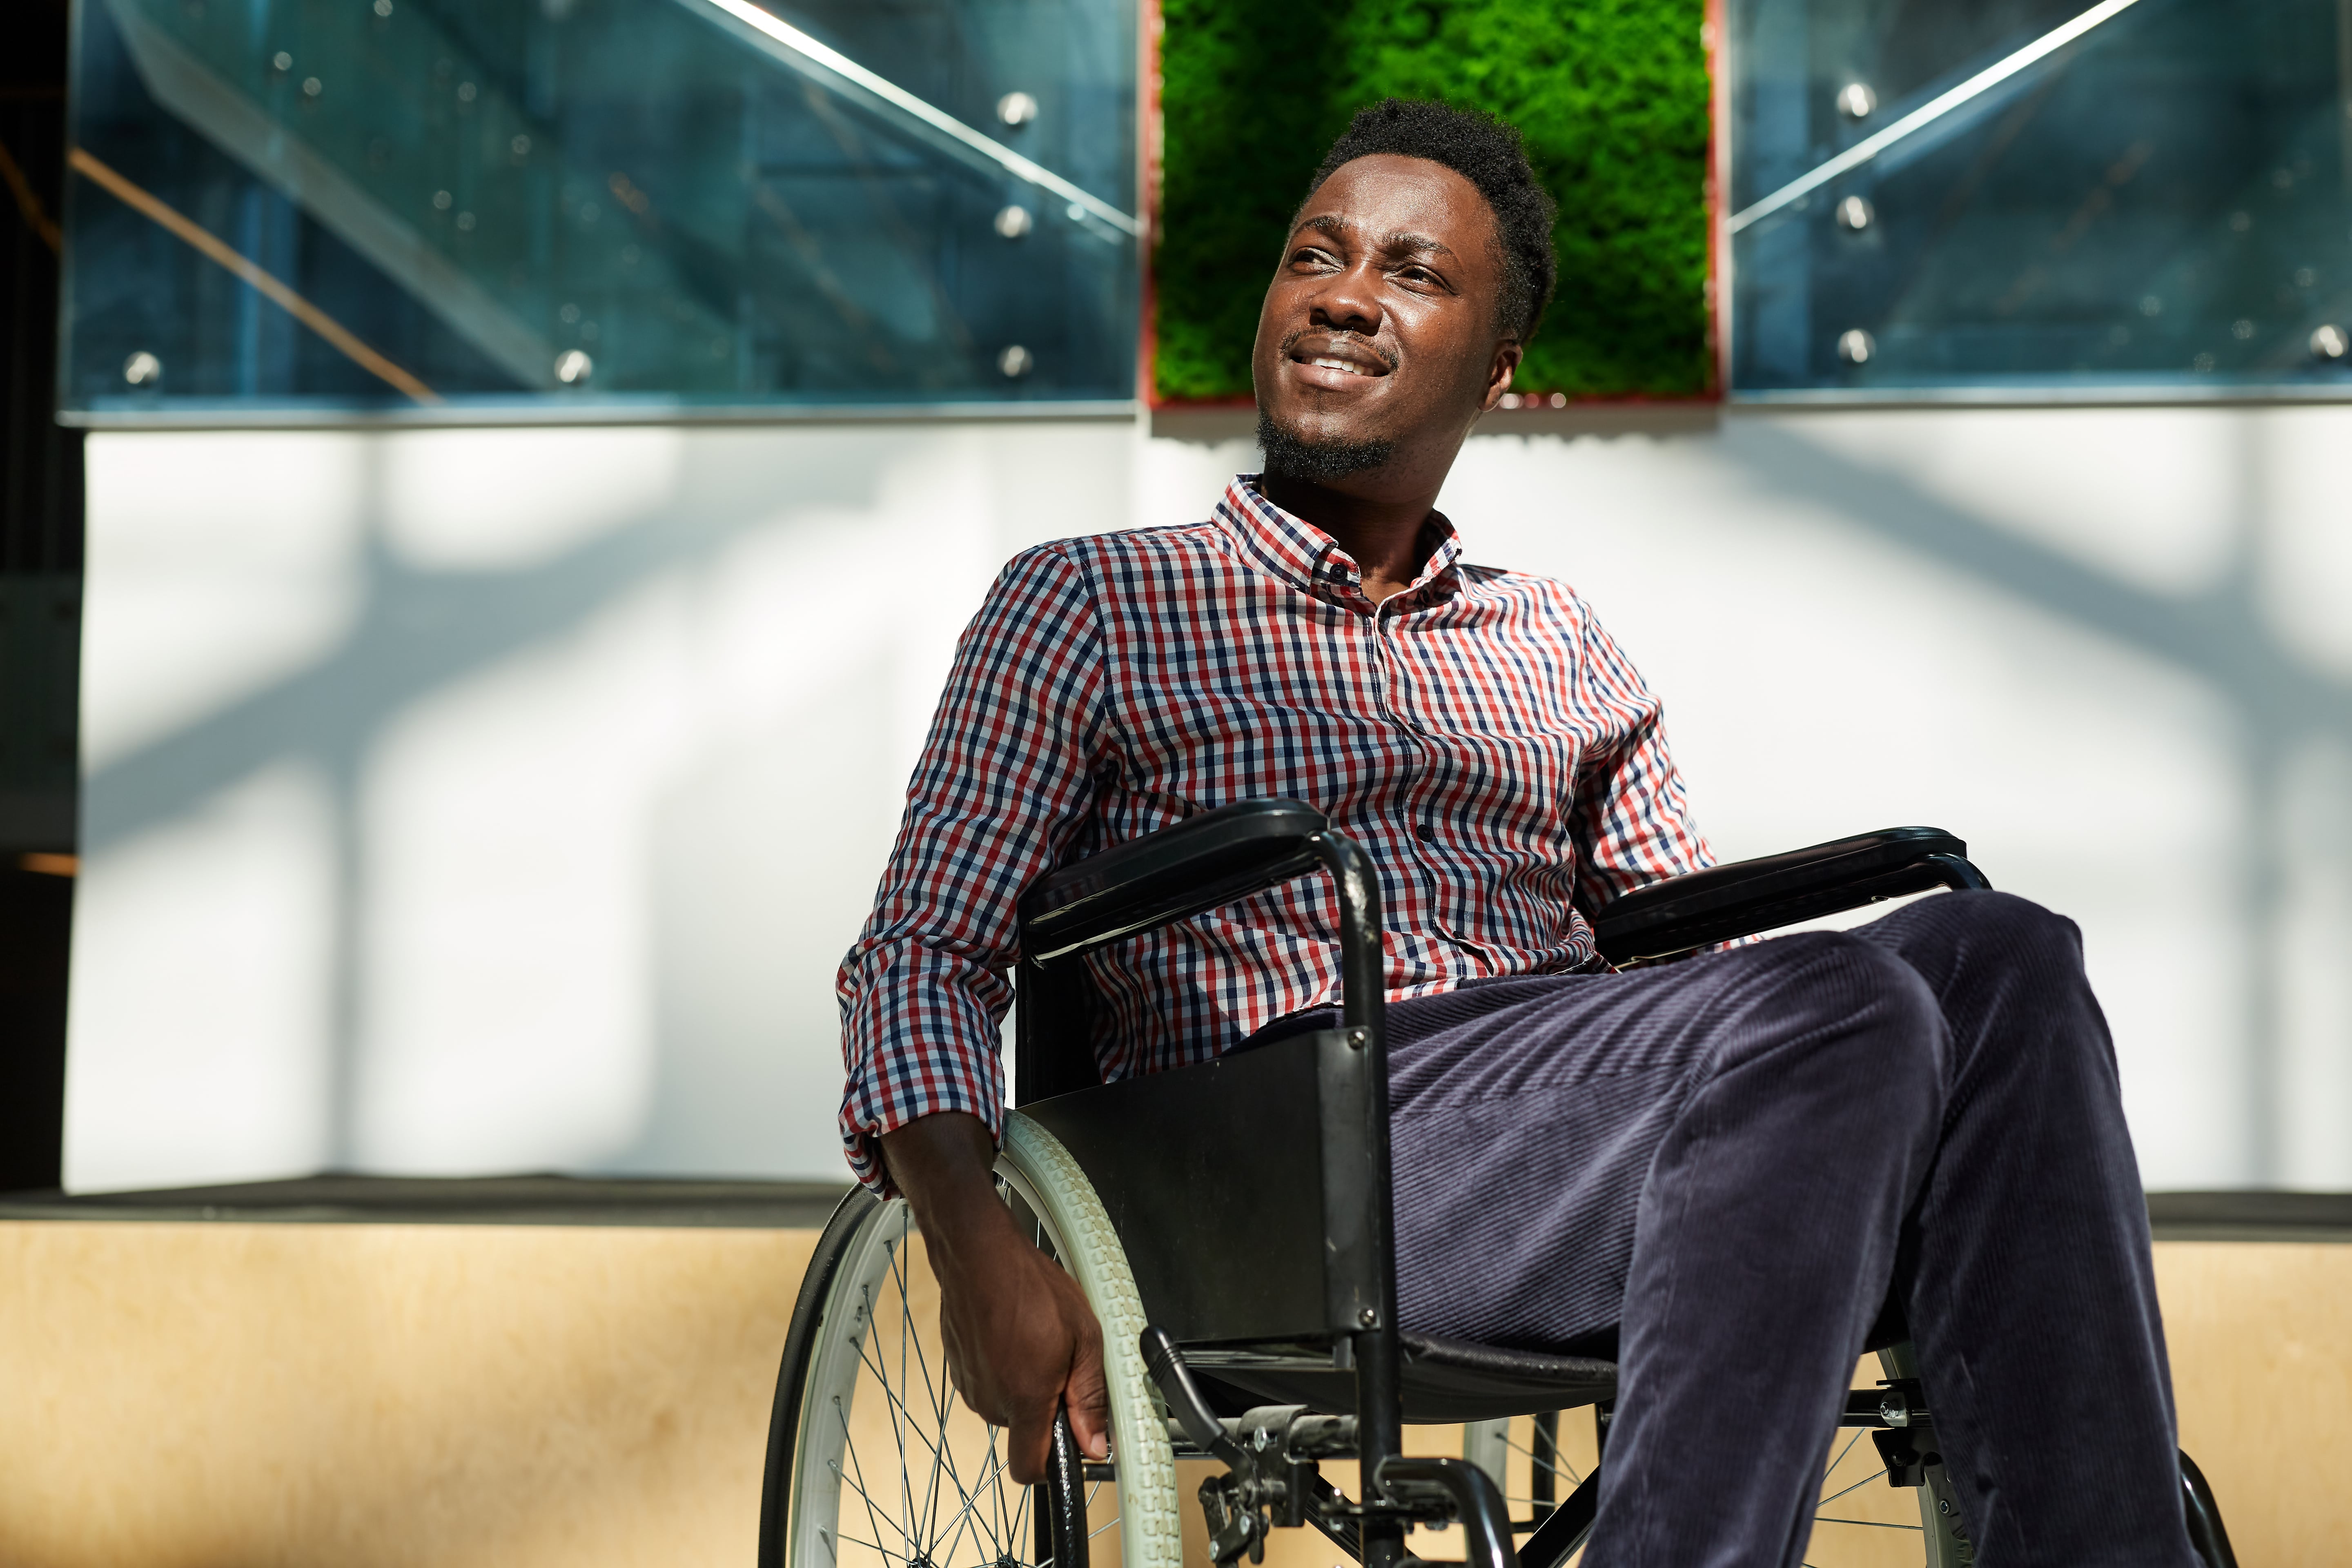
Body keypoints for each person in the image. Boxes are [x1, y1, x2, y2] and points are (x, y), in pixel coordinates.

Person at [837, 98, 2199, 1568]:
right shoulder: (1090, 600)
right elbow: (921, 949)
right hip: (1276, 1143)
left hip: (1550, 1112)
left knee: (2001, 952)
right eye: (1317, 255)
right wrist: (974, 1247)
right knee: (1842, 1005)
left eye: (1413, 273)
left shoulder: (1559, 639)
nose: (1346, 293)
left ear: (1498, 366)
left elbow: (1713, 980)